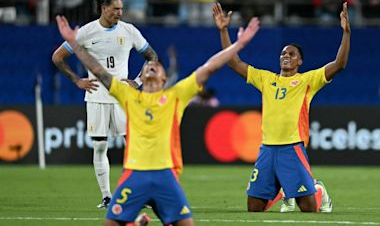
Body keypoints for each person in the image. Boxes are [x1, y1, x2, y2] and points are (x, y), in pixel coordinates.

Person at [56, 12, 259, 226]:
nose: (151, 67)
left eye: (156, 67)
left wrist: (239, 44)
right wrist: (74, 44)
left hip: (166, 177)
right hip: (134, 176)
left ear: (164, 78)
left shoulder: (176, 96)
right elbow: (98, 70)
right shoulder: (128, 96)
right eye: (147, 68)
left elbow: (210, 67)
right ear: (141, 77)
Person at [213, 2, 351, 212]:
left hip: (292, 148)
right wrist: (223, 31)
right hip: (267, 149)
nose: (286, 56)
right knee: (254, 208)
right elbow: (233, 62)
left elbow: (339, 64)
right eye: (283, 53)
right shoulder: (265, 79)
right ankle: (282, 191)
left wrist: (346, 33)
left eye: (292, 54)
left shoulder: (308, 81)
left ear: (300, 61)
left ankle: (318, 191)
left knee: (309, 209)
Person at [51, 0, 158, 209]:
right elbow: (57, 57)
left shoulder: (129, 31)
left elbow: (152, 56)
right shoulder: (86, 32)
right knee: (100, 145)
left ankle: (139, 194)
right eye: (115, 9)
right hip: (97, 96)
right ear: (104, 8)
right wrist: (77, 80)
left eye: (121, 9)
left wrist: (137, 82)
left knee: (134, 146)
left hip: (123, 98)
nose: (119, 13)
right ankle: (107, 196)